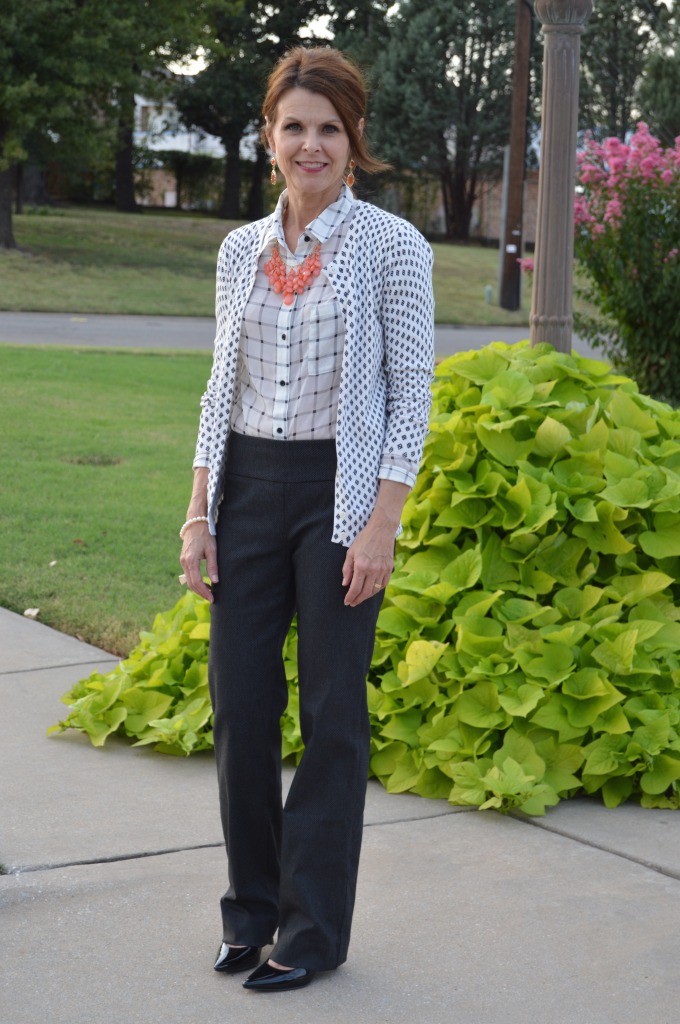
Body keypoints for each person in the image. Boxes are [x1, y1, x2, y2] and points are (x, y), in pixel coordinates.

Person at [179, 45, 434, 993]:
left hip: (340, 493)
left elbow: (412, 390)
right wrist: (197, 511)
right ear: (270, 137)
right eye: (296, 126)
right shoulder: (239, 249)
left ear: (354, 140)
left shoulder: (390, 245)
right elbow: (219, 384)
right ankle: (250, 912)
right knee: (242, 706)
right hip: (246, 492)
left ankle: (312, 929)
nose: (311, 144)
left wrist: (382, 523)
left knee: (332, 717)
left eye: (330, 128)